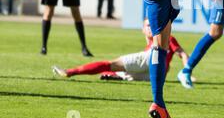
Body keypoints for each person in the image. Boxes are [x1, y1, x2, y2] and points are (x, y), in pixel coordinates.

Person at [52, 20, 191, 81]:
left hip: (152, 62)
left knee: (110, 64)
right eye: (147, 26)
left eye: (151, 25)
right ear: (142, 30)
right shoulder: (151, 45)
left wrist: (187, 72)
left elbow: (183, 54)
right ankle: (113, 76)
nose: (150, 28)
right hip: (154, 76)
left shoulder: (167, 39)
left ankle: (70, 72)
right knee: (119, 72)